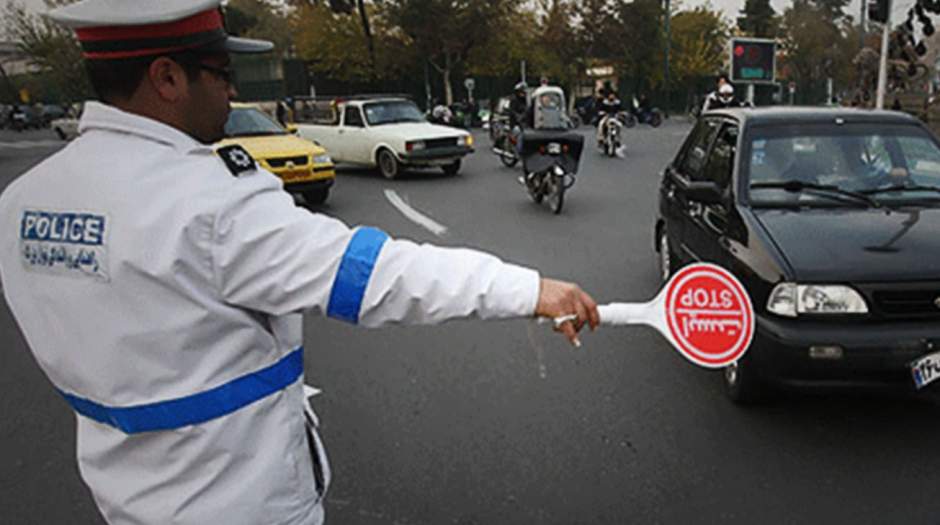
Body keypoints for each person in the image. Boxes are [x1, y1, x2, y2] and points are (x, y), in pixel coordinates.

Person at [0, 2, 600, 525]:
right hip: (240, 500)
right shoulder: (209, 202)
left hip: (127, 496)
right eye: (222, 74)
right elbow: (372, 277)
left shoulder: (24, 201)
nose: (231, 92)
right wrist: (531, 289)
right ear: (166, 78)